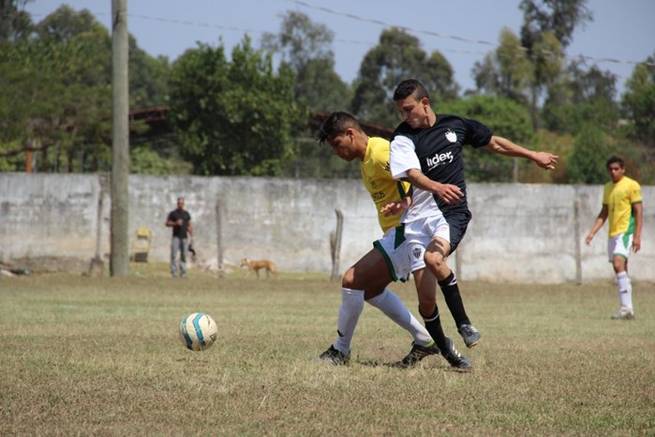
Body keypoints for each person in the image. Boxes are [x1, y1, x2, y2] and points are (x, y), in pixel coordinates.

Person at [388, 79, 558, 341]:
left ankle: (464, 324)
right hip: (417, 221)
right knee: (425, 302)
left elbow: (494, 143)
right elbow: (411, 174)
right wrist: (437, 186)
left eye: (408, 109)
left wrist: (532, 154)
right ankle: (446, 350)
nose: (405, 116)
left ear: (425, 103)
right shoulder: (402, 137)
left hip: (451, 214)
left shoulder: (454, 125)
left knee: (435, 260)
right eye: (401, 111)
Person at [317, 112, 470, 370]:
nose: (336, 151)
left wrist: (405, 203)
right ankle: (426, 340)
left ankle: (340, 350)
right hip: (397, 232)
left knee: (352, 280)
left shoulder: (380, 152)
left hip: (407, 231)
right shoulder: (367, 159)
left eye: (337, 144)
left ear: (350, 134)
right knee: (373, 290)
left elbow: (411, 176)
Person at [585, 156, 643, 320]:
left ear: (623, 169)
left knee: (618, 264)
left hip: (626, 231)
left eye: (617, 169)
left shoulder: (632, 185)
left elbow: (639, 211)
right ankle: (628, 309)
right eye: (610, 169)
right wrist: (592, 232)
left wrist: (637, 236)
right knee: (620, 268)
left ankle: (626, 309)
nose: (613, 172)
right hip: (613, 233)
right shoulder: (608, 187)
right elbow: (603, 213)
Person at [166, 196, 193, 278]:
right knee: (174, 255)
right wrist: (175, 223)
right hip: (176, 237)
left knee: (184, 255)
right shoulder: (173, 213)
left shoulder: (186, 214)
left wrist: (191, 233)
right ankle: (174, 273)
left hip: (184, 237)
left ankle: (183, 273)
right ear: (177, 204)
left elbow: (189, 224)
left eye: (182, 203)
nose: (180, 204)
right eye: (179, 203)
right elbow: (167, 223)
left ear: (183, 204)